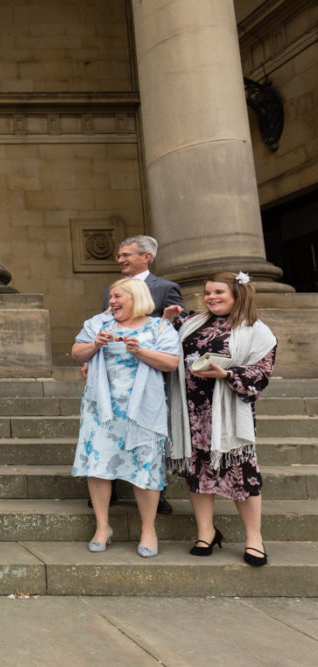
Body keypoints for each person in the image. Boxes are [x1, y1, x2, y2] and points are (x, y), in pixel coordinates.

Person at [164, 272, 277, 566]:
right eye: (207, 293)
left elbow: (260, 375)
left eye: (218, 292)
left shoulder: (256, 330)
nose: (211, 297)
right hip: (192, 412)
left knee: (242, 474)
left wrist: (226, 374)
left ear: (238, 294)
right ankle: (206, 532)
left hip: (227, 413)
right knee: (197, 472)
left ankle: (254, 538)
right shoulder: (192, 323)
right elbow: (167, 345)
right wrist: (167, 319)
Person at [71, 278, 180, 558]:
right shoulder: (98, 323)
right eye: (111, 297)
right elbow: (76, 352)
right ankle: (102, 526)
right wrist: (95, 344)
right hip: (102, 408)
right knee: (98, 464)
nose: (112, 302)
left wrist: (140, 351)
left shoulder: (159, 326)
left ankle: (148, 529)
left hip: (144, 409)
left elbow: (171, 362)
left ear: (136, 297)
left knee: (145, 466)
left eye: (118, 297)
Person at [87, 234, 185, 514]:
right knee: (109, 429)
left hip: (149, 370)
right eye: (119, 255)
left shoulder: (165, 287)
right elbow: (102, 324)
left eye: (126, 255)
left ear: (146, 256)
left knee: (149, 431)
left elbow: (180, 327)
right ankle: (109, 488)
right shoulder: (110, 290)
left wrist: (165, 321)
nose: (120, 260)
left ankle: (156, 491)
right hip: (111, 373)